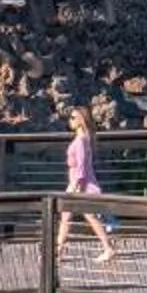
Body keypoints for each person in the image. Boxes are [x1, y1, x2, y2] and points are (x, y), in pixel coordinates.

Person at [58, 108, 117, 264]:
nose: (69, 120)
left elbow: (82, 167)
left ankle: (108, 248)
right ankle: (58, 252)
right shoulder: (84, 139)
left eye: (73, 117)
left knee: (87, 217)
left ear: (81, 121)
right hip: (78, 184)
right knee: (67, 218)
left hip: (81, 186)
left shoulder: (81, 141)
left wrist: (75, 186)